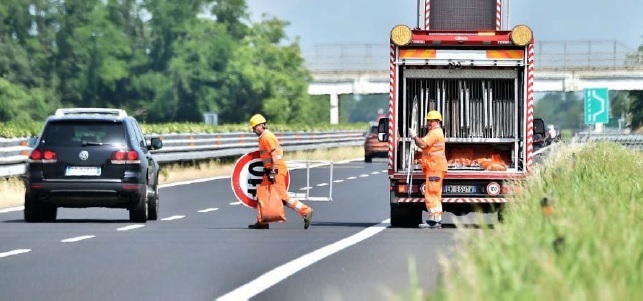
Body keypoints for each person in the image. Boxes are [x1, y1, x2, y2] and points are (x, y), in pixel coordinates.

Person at [247, 114, 314, 230]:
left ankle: (305, 210)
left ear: (260, 125)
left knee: (282, 197)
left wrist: (272, 171)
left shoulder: (267, 137)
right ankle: (262, 221)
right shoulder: (263, 137)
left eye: (254, 128)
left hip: (275, 170)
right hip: (270, 170)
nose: (253, 131)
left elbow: (274, 156)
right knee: (261, 193)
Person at [410, 110, 448, 229]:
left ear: (437, 122)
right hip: (435, 167)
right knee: (435, 194)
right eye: (428, 121)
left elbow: (423, 145)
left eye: (430, 121)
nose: (428, 123)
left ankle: (434, 220)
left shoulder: (434, 133)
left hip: (434, 167)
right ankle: (436, 218)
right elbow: (427, 148)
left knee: (431, 193)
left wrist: (414, 136)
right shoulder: (436, 132)